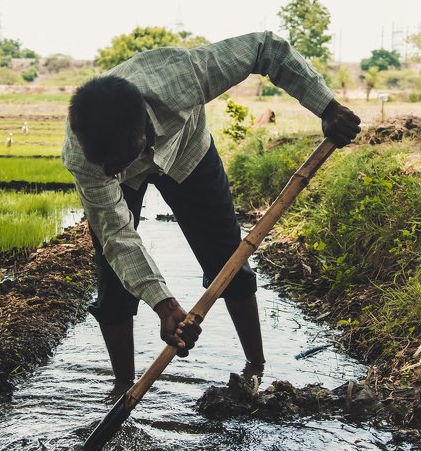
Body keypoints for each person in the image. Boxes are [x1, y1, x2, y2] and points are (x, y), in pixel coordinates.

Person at [63, 31, 361, 388]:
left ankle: (256, 367)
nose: (112, 170)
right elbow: (117, 238)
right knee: (113, 282)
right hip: (124, 185)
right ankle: (123, 388)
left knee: (226, 255)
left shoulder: (181, 76)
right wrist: (164, 304)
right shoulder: (86, 158)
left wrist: (327, 108)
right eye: (105, 165)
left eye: (118, 161)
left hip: (188, 154)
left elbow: (264, 48)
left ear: (143, 130)